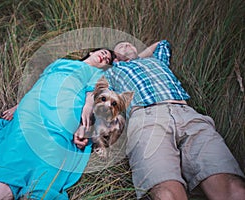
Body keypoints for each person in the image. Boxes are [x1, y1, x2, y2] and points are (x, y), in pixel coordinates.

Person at [77, 40, 245, 199]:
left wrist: (135, 57)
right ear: (114, 58)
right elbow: (97, 97)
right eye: (120, 46)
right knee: (165, 193)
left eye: (129, 43)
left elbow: (163, 43)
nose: (127, 44)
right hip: (146, 119)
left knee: (233, 188)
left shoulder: (158, 61)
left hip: (188, 114)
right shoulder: (112, 73)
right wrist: (86, 125)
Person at [0, 48, 115, 200]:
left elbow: (92, 95)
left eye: (108, 60)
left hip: (67, 103)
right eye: (103, 53)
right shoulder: (61, 62)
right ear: (91, 52)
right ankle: (1, 190)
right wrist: (18, 106)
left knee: (56, 137)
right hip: (37, 99)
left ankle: (35, 190)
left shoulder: (99, 74)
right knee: (21, 133)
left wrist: (85, 115)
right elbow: (41, 82)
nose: (104, 58)